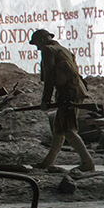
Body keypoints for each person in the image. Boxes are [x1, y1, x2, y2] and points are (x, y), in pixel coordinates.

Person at [28, 29, 95, 172]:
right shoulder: (63, 49)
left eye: (36, 44)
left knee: (68, 129)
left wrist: (45, 100)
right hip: (74, 90)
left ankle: (87, 162)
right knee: (59, 129)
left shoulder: (48, 50)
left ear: (41, 40)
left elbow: (50, 77)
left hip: (68, 93)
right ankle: (49, 161)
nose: (37, 48)